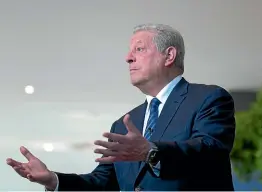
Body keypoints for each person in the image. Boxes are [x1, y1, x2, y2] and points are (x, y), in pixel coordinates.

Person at [6, 23, 236, 191]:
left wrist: (151, 152)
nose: (128, 58)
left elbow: (211, 151)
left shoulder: (208, 98)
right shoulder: (125, 123)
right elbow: (102, 183)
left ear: (169, 56)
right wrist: (53, 180)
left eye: (139, 49)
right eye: (130, 51)